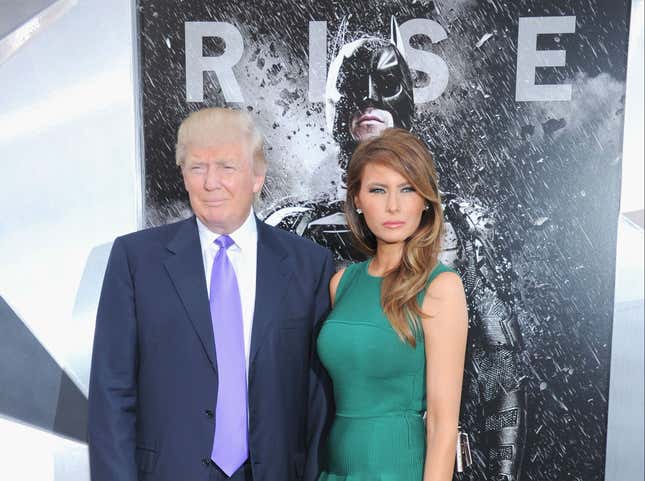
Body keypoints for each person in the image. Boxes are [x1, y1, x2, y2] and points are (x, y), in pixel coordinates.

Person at [265, 18, 527, 481]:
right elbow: (267, 373)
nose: (368, 96)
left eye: (383, 82)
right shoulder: (295, 230)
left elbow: (499, 367)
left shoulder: (459, 230)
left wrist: (503, 473)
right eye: (353, 82)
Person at [88, 107, 335, 481]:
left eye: (226, 167)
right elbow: (111, 395)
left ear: (257, 176)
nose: (210, 182)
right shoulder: (136, 261)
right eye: (197, 167)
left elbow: (317, 400)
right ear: (184, 176)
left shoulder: (309, 265)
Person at [316, 128, 468, 481]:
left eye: (407, 189)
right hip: (335, 471)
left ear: (425, 200)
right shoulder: (343, 283)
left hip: (399, 470)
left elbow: (443, 430)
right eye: (378, 190)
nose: (393, 206)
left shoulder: (441, 287)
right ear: (357, 199)